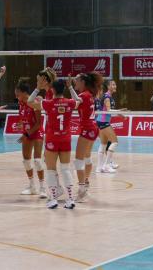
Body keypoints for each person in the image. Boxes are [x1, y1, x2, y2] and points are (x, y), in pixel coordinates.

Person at [28, 79, 78, 209]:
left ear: (53, 90)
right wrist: (71, 88)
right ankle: (70, 200)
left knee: (50, 170)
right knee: (66, 169)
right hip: (66, 139)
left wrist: (37, 88)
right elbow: (79, 101)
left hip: (52, 139)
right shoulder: (70, 103)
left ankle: (53, 199)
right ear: (64, 89)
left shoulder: (48, 104)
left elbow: (29, 102)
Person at [67, 72, 103, 202]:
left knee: (78, 160)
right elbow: (77, 102)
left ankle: (81, 191)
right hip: (93, 128)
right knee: (87, 157)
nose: (74, 82)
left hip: (87, 129)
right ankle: (86, 183)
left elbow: (75, 103)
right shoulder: (90, 95)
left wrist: (69, 88)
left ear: (83, 82)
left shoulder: (83, 95)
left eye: (76, 81)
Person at [15, 80, 47, 198]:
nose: (16, 96)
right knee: (26, 161)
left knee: (38, 161)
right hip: (27, 133)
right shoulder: (21, 103)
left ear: (24, 92)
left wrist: (26, 135)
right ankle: (32, 186)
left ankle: (43, 188)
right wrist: (21, 123)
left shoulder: (34, 102)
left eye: (18, 93)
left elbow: (38, 123)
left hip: (36, 132)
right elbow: (22, 117)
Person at [95, 80, 125, 174]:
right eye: (113, 84)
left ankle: (99, 168)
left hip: (100, 121)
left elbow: (108, 111)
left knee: (103, 144)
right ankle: (107, 166)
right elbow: (108, 110)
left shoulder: (108, 96)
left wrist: (118, 114)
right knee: (115, 141)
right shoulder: (107, 97)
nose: (115, 86)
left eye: (115, 84)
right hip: (103, 122)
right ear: (108, 87)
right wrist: (119, 111)